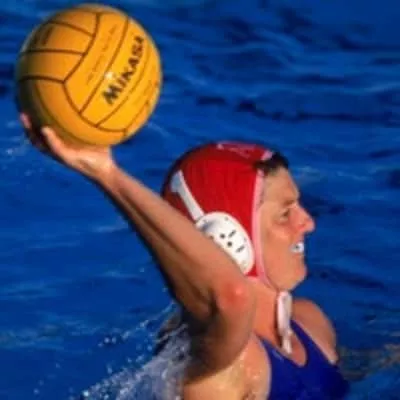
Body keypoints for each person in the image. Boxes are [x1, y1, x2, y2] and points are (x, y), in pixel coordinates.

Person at [20, 113, 349, 399]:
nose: (308, 222)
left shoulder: (311, 324)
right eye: (285, 213)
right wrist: (107, 174)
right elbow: (229, 297)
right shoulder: (222, 361)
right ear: (226, 236)